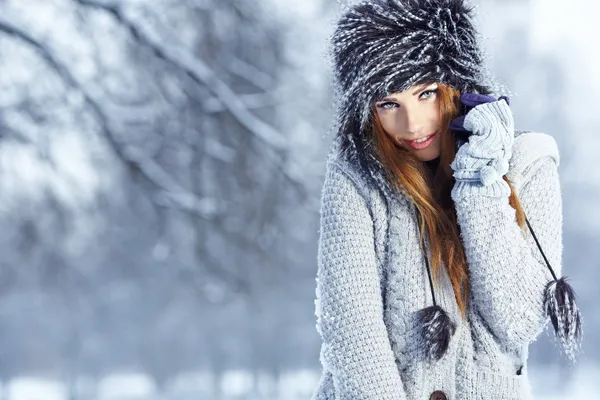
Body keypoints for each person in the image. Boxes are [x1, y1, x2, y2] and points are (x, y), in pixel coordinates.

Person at [311, 0, 582, 399]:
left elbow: (519, 320)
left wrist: (480, 181)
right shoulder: (358, 178)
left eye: (427, 94)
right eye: (389, 104)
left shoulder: (528, 163)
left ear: (458, 84)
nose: (412, 124)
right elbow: (353, 333)